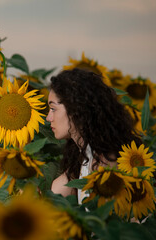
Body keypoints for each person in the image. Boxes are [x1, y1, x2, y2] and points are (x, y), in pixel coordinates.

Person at [46, 68, 142, 204]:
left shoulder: (104, 164)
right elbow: (60, 189)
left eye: (53, 109)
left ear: (76, 109)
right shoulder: (86, 155)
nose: (48, 117)